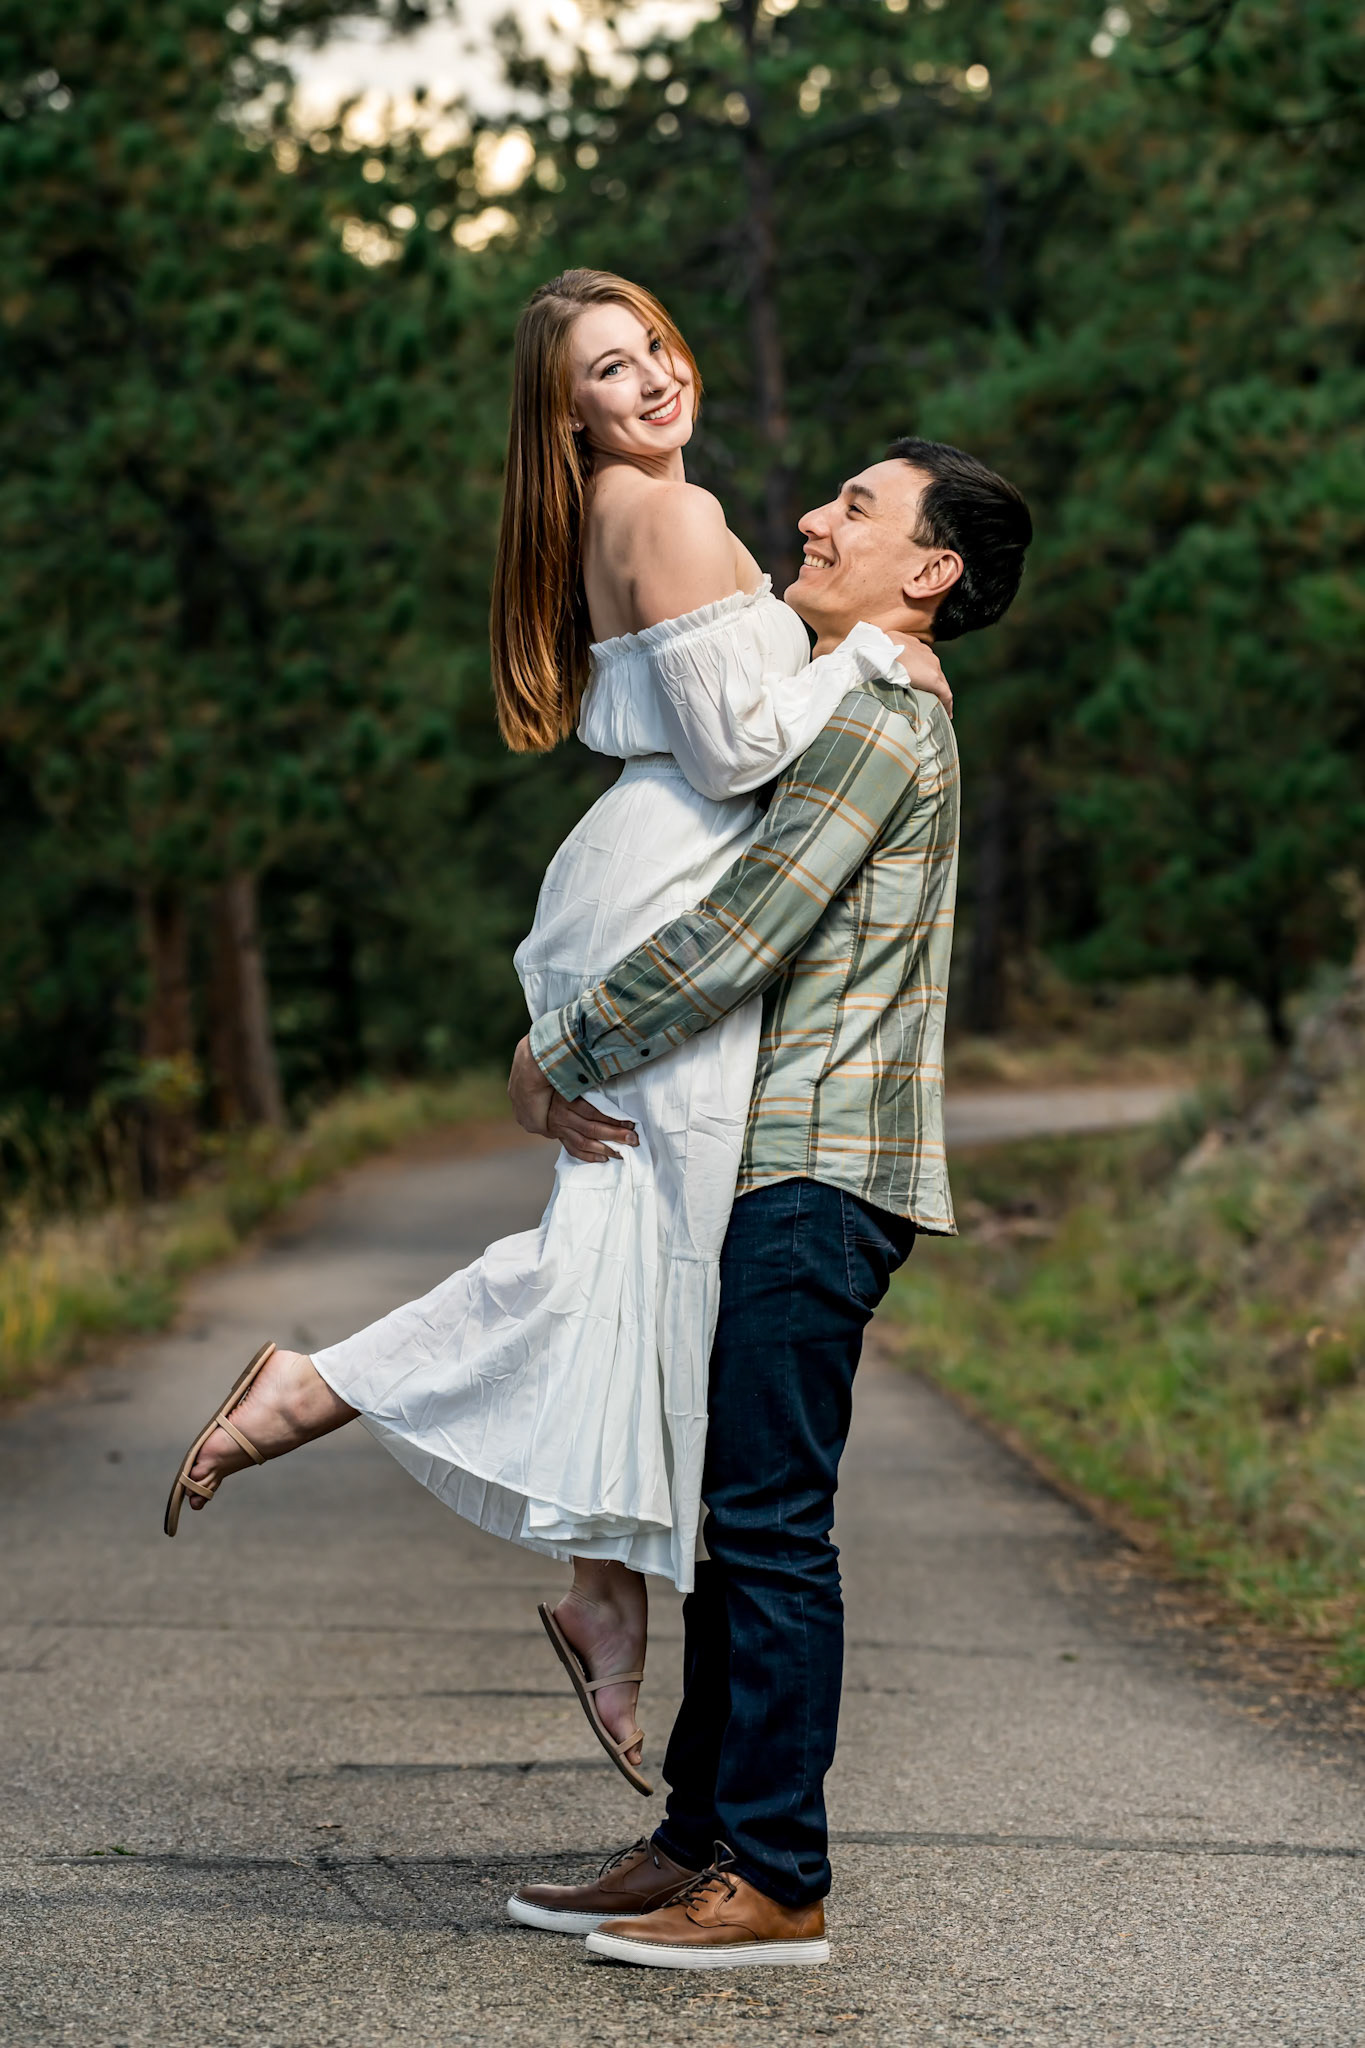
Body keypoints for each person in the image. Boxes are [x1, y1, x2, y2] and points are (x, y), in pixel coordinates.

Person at [161, 269, 953, 1795]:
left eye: (652, 344)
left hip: (631, 876)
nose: (653, 378)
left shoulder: (642, 511)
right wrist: (864, 659)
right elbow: (734, 751)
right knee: (644, 1236)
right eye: (608, 370)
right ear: (565, 412)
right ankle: (316, 1388)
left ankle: (602, 1592)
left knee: (636, 1239)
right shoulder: (657, 510)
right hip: (662, 884)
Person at [504, 434, 1032, 1967]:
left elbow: (748, 927)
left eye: (857, 509)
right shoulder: (851, 694)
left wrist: (563, 1047)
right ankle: (695, 1845)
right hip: (767, 1162)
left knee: (770, 1528)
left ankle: (779, 1878)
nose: (812, 517)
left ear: (927, 572)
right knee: (738, 1526)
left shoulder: (878, 706)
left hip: (814, 1172)